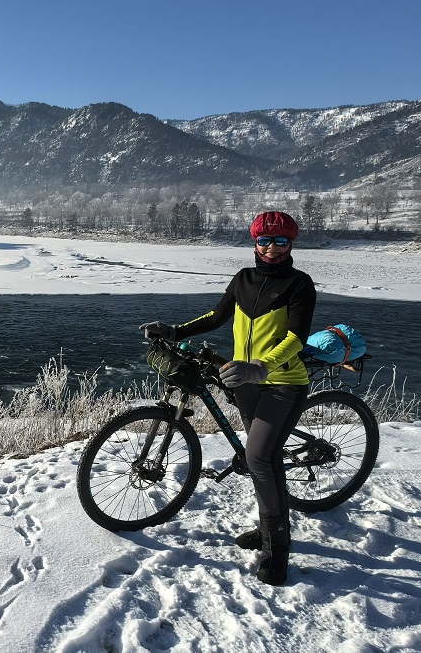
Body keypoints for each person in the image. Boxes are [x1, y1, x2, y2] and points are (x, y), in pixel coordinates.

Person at [138, 210, 316, 586]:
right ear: (254, 242)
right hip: (247, 384)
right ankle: (269, 528)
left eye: (280, 241)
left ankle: (277, 551)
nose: (271, 248)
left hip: (282, 383)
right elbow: (217, 317)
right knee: (262, 460)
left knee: (258, 457)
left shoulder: (300, 284)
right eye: (264, 240)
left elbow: (296, 338)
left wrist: (260, 367)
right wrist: (174, 330)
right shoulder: (243, 279)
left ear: (291, 244)